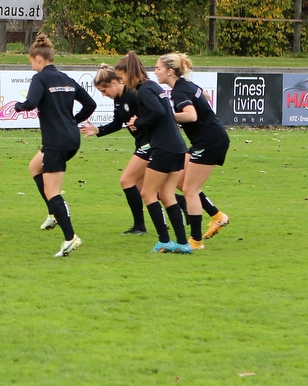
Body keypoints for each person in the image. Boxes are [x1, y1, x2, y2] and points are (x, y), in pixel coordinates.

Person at [13, 34, 96, 258]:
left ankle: (70, 237)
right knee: (34, 167)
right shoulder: (66, 78)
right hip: (71, 139)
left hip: (56, 142)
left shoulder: (39, 79)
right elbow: (91, 103)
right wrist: (73, 121)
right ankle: (52, 213)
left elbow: (30, 103)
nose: (31, 66)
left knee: (53, 191)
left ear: (38, 58)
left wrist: (18, 106)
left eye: (31, 61)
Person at [115, 51, 190, 254]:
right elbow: (161, 113)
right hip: (177, 147)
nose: (122, 82)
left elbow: (158, 112)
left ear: (129, 73)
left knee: (148, 193)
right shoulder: (153, 87)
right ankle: (183, 243)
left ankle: (164, 241)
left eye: (122, 78)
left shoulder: (145, 90)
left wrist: (138, 122)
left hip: (163, 147)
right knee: (167, 194)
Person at [155, 53, 231, 250]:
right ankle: (217, 216)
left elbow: (191, 116)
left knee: (189, 189)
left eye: (158, 68)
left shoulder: (179, 92)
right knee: (180, 181)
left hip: (210, 142)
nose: (155, 72)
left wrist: (168, 116)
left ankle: (196, 241)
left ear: (169, 71)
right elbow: (204, 95)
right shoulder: (185, 85)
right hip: (204, 140)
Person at [83, 64, 150, 235]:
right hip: (142, 143)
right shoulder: (118, 99)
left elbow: (153, 115)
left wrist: (140, 122)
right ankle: (182, 205)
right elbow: (116, 124)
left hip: (150, 143)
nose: (104, 95)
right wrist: (97, 130)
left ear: (114, 83)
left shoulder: (134, 94)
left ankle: (139, 227)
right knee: (147, 190)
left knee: (126, 180)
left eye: (104, 91)